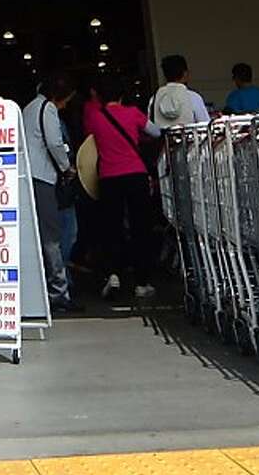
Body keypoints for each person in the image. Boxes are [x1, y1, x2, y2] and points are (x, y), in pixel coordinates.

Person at [84, 73, 162, 302]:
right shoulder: (133, 113)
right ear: (122, 94)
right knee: (140, 228)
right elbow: (156, 132)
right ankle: (141, 282)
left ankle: (114, 275)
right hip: (135, 175)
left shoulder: (96, 118)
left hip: (109, 177)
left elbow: (89, 144)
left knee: (112, 228)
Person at [23, 73, 83, 314]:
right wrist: (66, 168)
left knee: (38, 235)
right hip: (43, 178)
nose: (65, 105)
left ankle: (41, 289)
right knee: (52, 237)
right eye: (65, 100)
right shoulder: (47, 108)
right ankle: (58, 292)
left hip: (29, 177)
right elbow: (55, 143)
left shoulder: (28, 108)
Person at [150, 54, 210, 129]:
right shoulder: (193, 97)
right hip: (188, 139)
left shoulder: (154, 99)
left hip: (163, 140)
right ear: (185, 74)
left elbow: (151, 127)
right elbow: (205, 125)